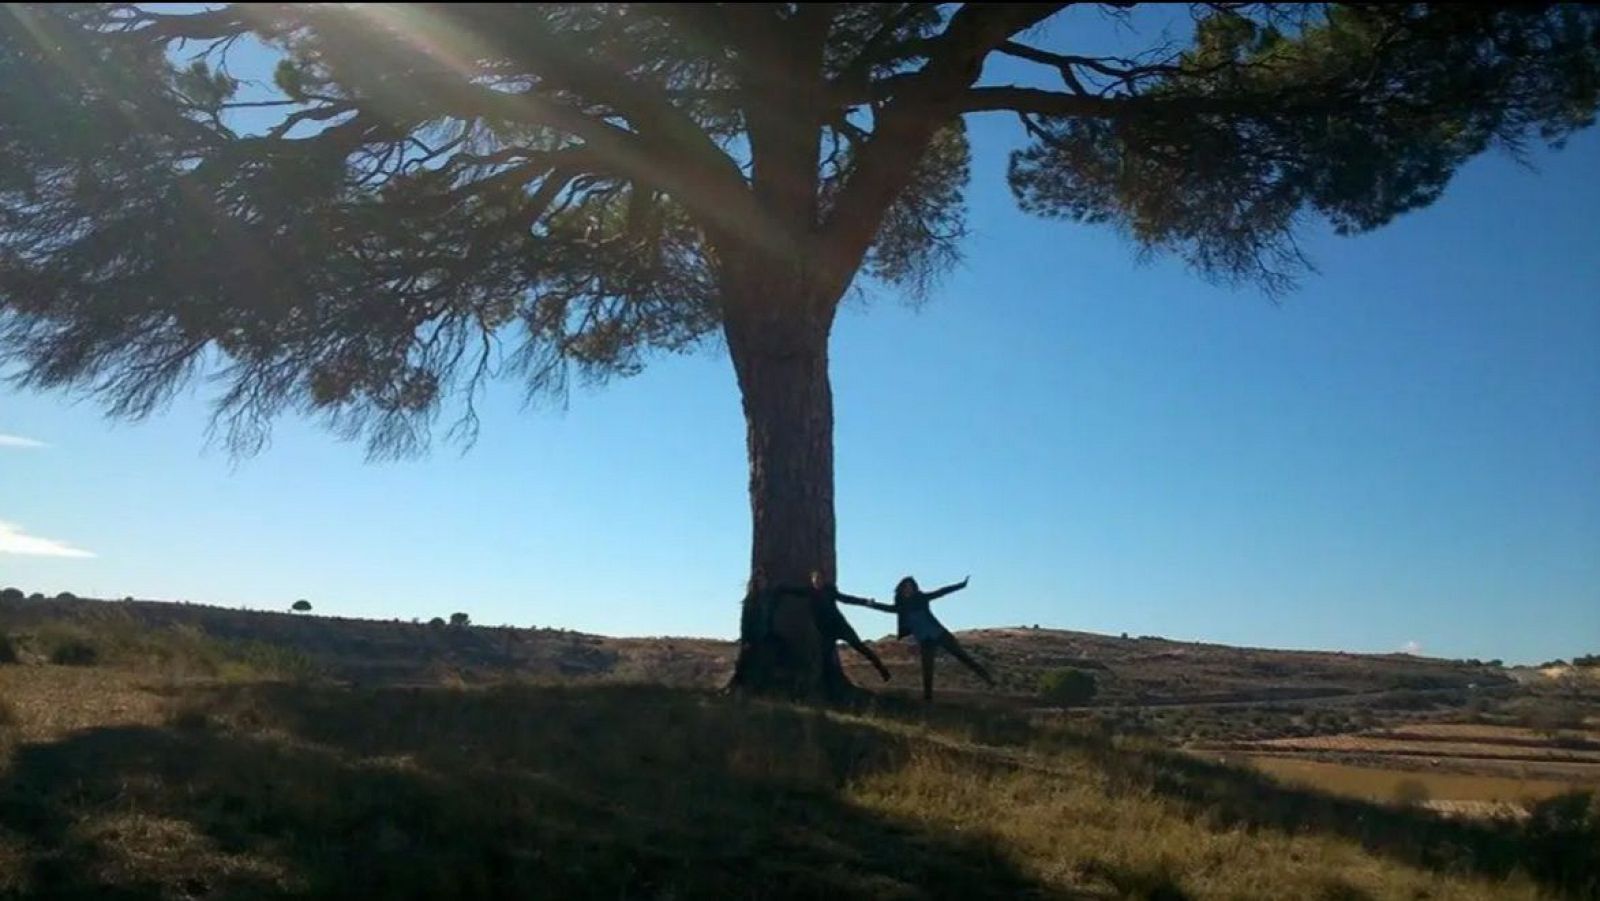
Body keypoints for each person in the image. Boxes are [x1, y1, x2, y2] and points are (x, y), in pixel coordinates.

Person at [863, 575, 994, 701]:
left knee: (962, 656)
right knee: (927, 668)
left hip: (939, 633)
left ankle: (988, 679)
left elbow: (941, 592)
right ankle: (928, 698)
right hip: (925, 640)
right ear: (901, 589)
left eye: (910, 587)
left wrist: (961, 585)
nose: (908, 590)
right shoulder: (901, 606)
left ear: (914, 588)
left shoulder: (921, 598)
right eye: (905, 587)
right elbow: (886, 608)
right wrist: (872, 604)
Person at [773, 572, 892, 683]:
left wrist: (865, 601)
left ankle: (883, 671)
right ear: (812, 581)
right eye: (815, 580)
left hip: (840, 626)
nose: (817, 582)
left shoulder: (830, 591)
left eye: (819, 579)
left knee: (860, 647)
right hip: (826, 631)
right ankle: (828, 685)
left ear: (823, 581)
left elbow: (847, 599)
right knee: (826, 657)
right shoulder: (809, 592)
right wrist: (779, 588)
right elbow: (793, 591)